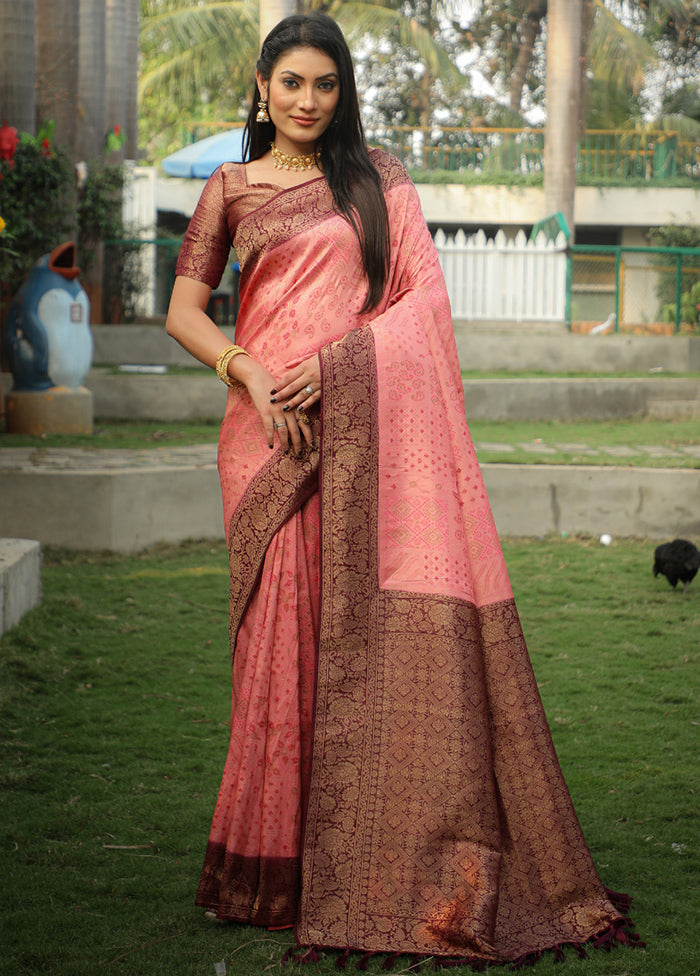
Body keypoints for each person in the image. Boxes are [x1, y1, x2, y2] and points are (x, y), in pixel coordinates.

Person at [166, 11, 639, 966]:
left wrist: (337, 363)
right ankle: (267, 870)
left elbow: (422, 301)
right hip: (266, 440)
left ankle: (363, 853)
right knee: (277, 650)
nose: (307, 101)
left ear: (343, 93)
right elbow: (183, 304)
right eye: (291, 82)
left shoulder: (379, 182)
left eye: (325, 85)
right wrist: (250, 372)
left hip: (363, 432)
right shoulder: (231, 188)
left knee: (356, 645)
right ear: (261, 85)